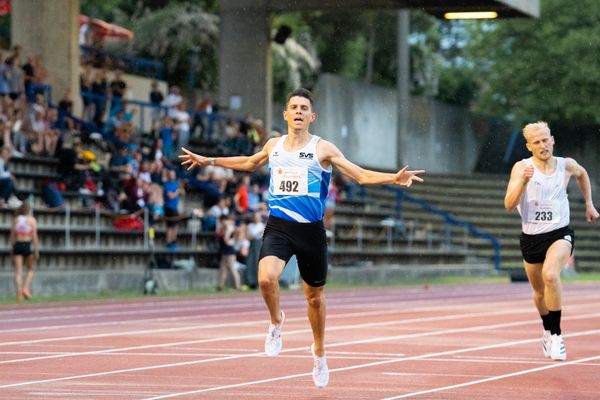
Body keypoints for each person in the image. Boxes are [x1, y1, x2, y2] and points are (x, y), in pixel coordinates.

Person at [180, 88, 425, 388]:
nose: (298, 111)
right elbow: (249, 162)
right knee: (266, 279)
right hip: (279, 226)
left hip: (310, 231)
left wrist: (391, 178)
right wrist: (210, 161)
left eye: (304, 108)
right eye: (293, 107)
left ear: (312, 116)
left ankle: (319, 351)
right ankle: (275, 321)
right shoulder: (274, 145)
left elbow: (359, 175)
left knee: (315, 298)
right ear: (285, 114)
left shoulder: (324, 149)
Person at [504, 121, 599, 361]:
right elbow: (508, 204)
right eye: (537, 142)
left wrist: (589, 204)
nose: (543, 145)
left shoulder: (565, 165)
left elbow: (583, 174)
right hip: (531, 237)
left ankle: (557, 335)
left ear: (553, 140)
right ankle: (547, 330)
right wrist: (524, 182)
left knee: (550, 275)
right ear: (529, 146)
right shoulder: (521, 168)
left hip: (560, 233)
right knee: (538, 293)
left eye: (545, 139)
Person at [10, 202, 39, 302]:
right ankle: (26, 288)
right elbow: (34, 236)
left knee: (18, 271)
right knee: (30, 270)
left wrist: (12, 251)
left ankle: (19, 292)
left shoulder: (16, 220)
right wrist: (36, 250)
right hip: (27, 245)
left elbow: (12, 237)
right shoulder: (32, 220)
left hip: (17, 245)